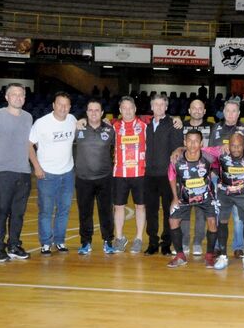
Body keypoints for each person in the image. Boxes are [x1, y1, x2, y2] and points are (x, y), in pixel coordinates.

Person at [0, 83, 33, 262]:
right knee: (2, 210)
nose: (18, 97)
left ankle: (13, 245)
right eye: (14, 94)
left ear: (25, 98)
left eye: (21, 95)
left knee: (18, 212)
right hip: (2, 171)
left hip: (23, 171)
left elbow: (29, 144)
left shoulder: (28, 117)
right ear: (7, 97)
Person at [29, 92, 77, 255]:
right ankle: (46, 243)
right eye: (60, 104)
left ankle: (60, 241)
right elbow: (29, 145)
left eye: (66, 105)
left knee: (64, 209)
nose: (63, 108)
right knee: (46, 211)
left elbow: (85, 125)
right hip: (47, 175)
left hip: (68, 174)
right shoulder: (42, 123)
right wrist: (36, 166)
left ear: (70, 107)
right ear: (53, 105)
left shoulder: (72, 120)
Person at [166, 130, 219, 268]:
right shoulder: (176, 159)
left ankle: (209, 256)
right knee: (173, 220)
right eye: (189, 140)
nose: (193, 144)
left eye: (196, 141)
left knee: (212, 221)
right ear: (185, 142)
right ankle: (180, 255)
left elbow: (224, 152)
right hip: (184, 196)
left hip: (206, 196)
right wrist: (175, 198)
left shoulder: (208, 155)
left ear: (201, 143)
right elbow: (171, 177)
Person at [209, 99, 244, 259]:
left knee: (238, 215)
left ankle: (238, 246)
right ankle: (220, 246)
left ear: (239, 113)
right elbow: (211, 151)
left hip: (239, 178)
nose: (231, 114)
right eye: (228, 111)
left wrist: (234, 146)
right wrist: (213, 171)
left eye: (234, 111)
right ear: (223, 112)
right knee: (221, 213)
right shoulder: (216, 128)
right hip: (219, 178)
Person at [74, 99, 117, 255]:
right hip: (83, 179)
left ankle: (108, 241)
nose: (93, 113)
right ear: (86, 112)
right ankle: (85, 242)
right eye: (90, 110)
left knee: (106, 211)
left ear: (102, 113)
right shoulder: (77, 128)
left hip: (105, 178)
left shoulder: (110, 130)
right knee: (85, 212)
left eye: (96, 110)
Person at [144, 94, 184, 255]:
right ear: (152, 107)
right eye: (156, 104)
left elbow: (178, 150)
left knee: (169, 211)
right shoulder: (145, 125)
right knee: (151, 211)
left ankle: (166, 243)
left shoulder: (173, 124)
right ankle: (152, 242)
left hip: (167, 176)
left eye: (162, 104)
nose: (159, 107)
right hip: (149, 175)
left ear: (166, 107)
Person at [111, 96, 148, 253]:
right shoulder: (114, 126)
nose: (127, 110)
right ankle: (119, 238)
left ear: (135, 109)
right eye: (124, 108)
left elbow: (163, 117)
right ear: (120, 110)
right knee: (118, 207)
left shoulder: (145, 126)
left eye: (130, 107)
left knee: (140, 206)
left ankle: (138, 238)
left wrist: (177, 119)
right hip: (120, 173)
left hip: (140, 173)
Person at [181, 99, 214, 256]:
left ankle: (197, 242)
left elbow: (214, 151)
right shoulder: (180, 125)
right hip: (185, 176)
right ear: (189, 110)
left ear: (204, 111)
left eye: (200, 108)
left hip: (204, 177)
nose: (197, 110)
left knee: (201, 212)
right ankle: (185, 241)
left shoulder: (212, 127)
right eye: (194, 108)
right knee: (185, 212)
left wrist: (213, 170)